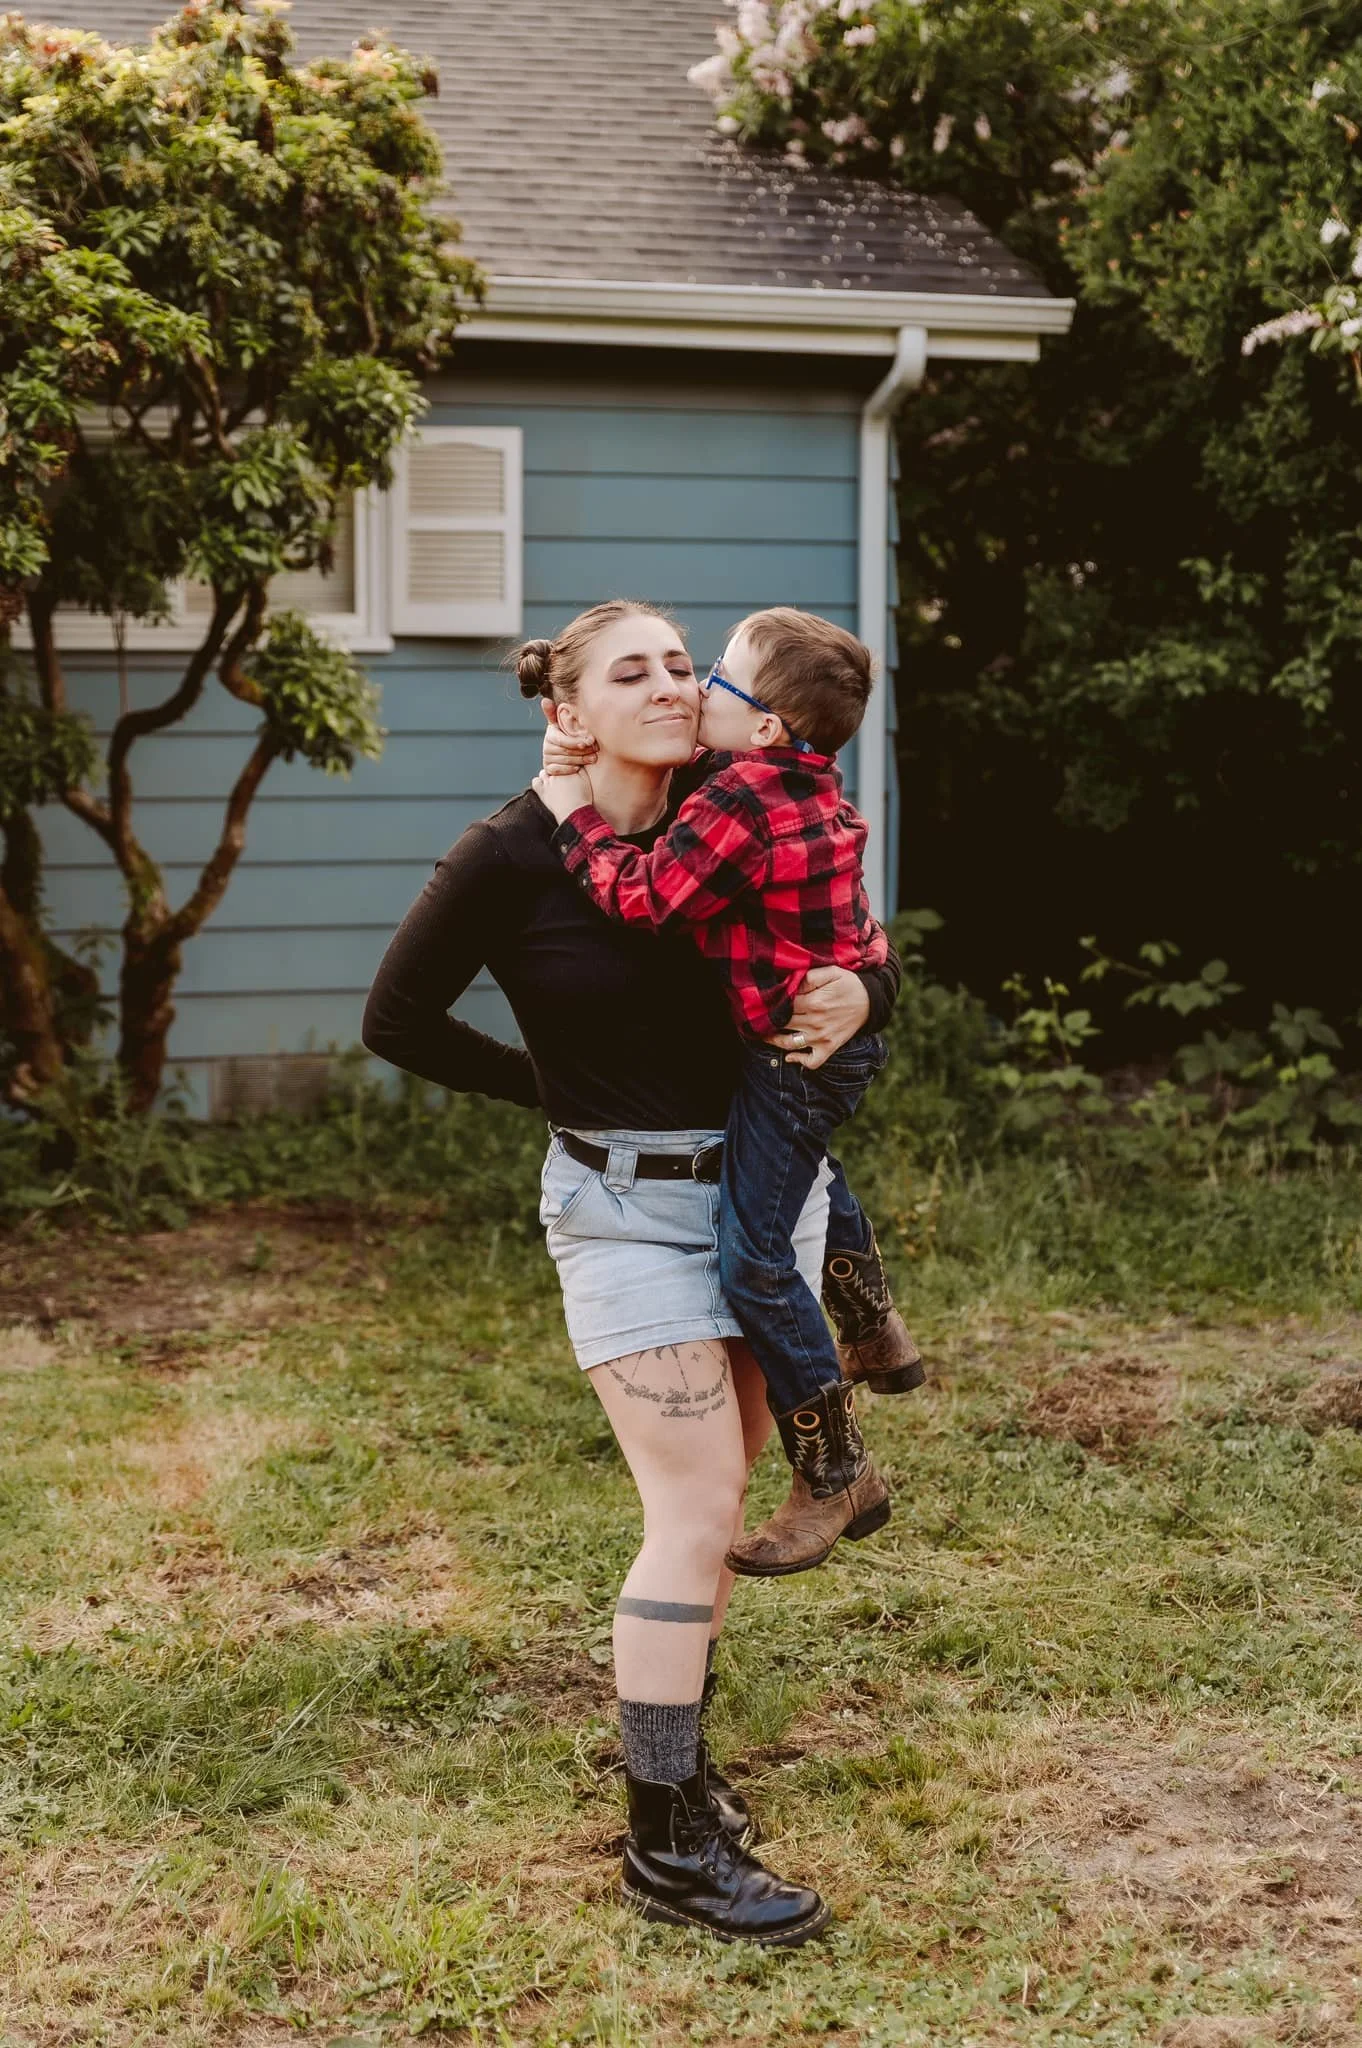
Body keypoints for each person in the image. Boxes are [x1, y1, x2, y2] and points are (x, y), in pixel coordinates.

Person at [362, 599, 902, 1946]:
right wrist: (544, 1089)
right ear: (568, 707)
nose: (671, 683)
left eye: (681, 662)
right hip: (622, 1212)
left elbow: (836, 937)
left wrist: (863, 995)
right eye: (633, 669)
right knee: (700, 1495)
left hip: (764, 1205)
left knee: (715, 1520)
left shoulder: (745, 790)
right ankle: (663, 1853)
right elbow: (396, 1018)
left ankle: (684, 1778)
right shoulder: (507, 854)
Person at [534, 607, 919, 1578]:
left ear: (766, 729)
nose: (692, 684)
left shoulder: (738, 800)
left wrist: (568, 808)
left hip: (797, 1049)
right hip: (811, 1051)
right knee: (807, 1166)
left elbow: (646, 897)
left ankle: (837, 1471)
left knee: (751, 1259)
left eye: (711, 673)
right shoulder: (798, 779)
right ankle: (876, 1328)